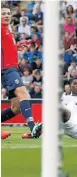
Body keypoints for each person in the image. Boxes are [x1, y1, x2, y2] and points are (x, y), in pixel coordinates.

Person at [1, 4, 42, 139]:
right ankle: (33, 128)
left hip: (13, 69)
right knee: (24, 94)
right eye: (3, 13)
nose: (6, 16)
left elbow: (7, 47)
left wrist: (18, 45)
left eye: (8, 13)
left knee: (16, 108)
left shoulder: (7, 30)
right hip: (8, 69)